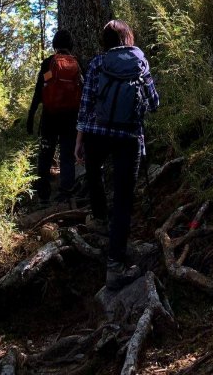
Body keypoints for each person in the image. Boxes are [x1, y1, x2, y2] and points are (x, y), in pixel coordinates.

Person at [75, 19, 159, 290]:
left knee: (95, 175)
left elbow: (86, 105)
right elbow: (154, 102)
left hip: (97, 135)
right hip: (129, 137)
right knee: (123, 200)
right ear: (128, 38)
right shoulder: (139, 61)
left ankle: (99, 218)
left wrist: (80, 139)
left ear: (105, 41)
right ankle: (115, 266)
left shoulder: (97, 63)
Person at [27, 29, 83, 206]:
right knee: (67, 156)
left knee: (45, 155)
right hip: (71, 119)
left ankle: (43, 197)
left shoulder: (48, 64)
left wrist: (31, 115)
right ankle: (65, 194)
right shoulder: (78, 64)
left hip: (50, 118)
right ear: (71, 45)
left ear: (54, 44)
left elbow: (39, 91)